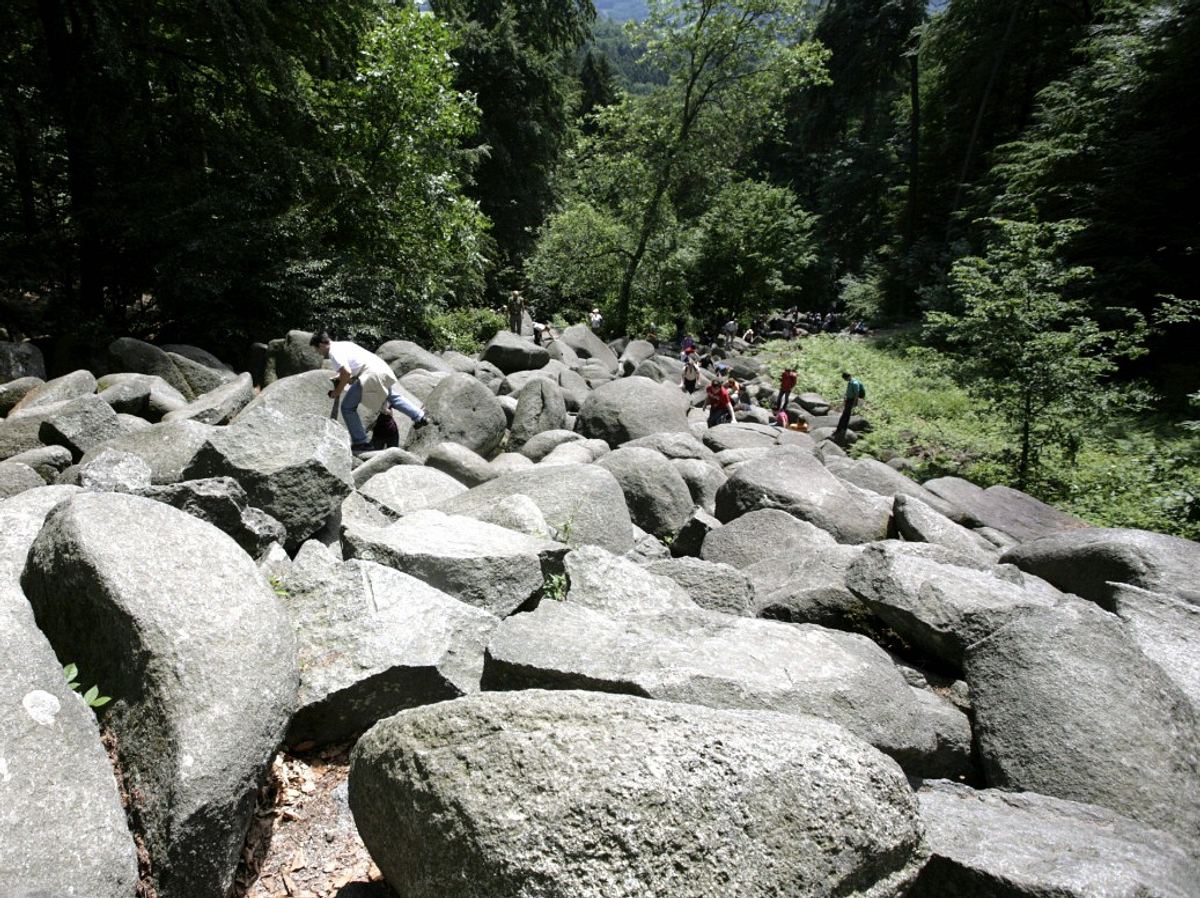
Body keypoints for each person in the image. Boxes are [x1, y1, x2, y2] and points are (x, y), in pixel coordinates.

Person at [310, 331, 429, 453]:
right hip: (381, 369)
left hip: (371, 374)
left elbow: (346, 372)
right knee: (391, 396)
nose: (318, 353)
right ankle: (419, 416)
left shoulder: (333, 352)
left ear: (321, 344)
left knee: (347, 407)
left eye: (316, 350)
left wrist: (337, 391)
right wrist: (341, 377)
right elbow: (353, 367)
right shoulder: (343, 344)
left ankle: (361, 442)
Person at [833, 370, 865, 443]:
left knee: (846, 415)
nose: (845, 380)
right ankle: (840, 429)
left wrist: (854, 403)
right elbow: (849, 391)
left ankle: (841, 429)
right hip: (849, 399)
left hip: (851, 400)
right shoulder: (850, 382)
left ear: (848, 377)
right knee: (845, 415)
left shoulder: (855, 383)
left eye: (845, 379)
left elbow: (856, 394)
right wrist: (845, 397)